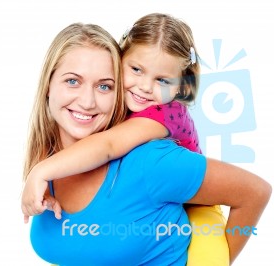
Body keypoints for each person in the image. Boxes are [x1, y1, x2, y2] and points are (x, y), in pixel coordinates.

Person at [21, 21, 271, 265]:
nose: (87, 101)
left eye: (104, 86)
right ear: (48, 85)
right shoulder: (56, 155)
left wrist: (40, 171)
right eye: (72, 81)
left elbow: (255, 192)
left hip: (201, 206)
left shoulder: (152, 144)